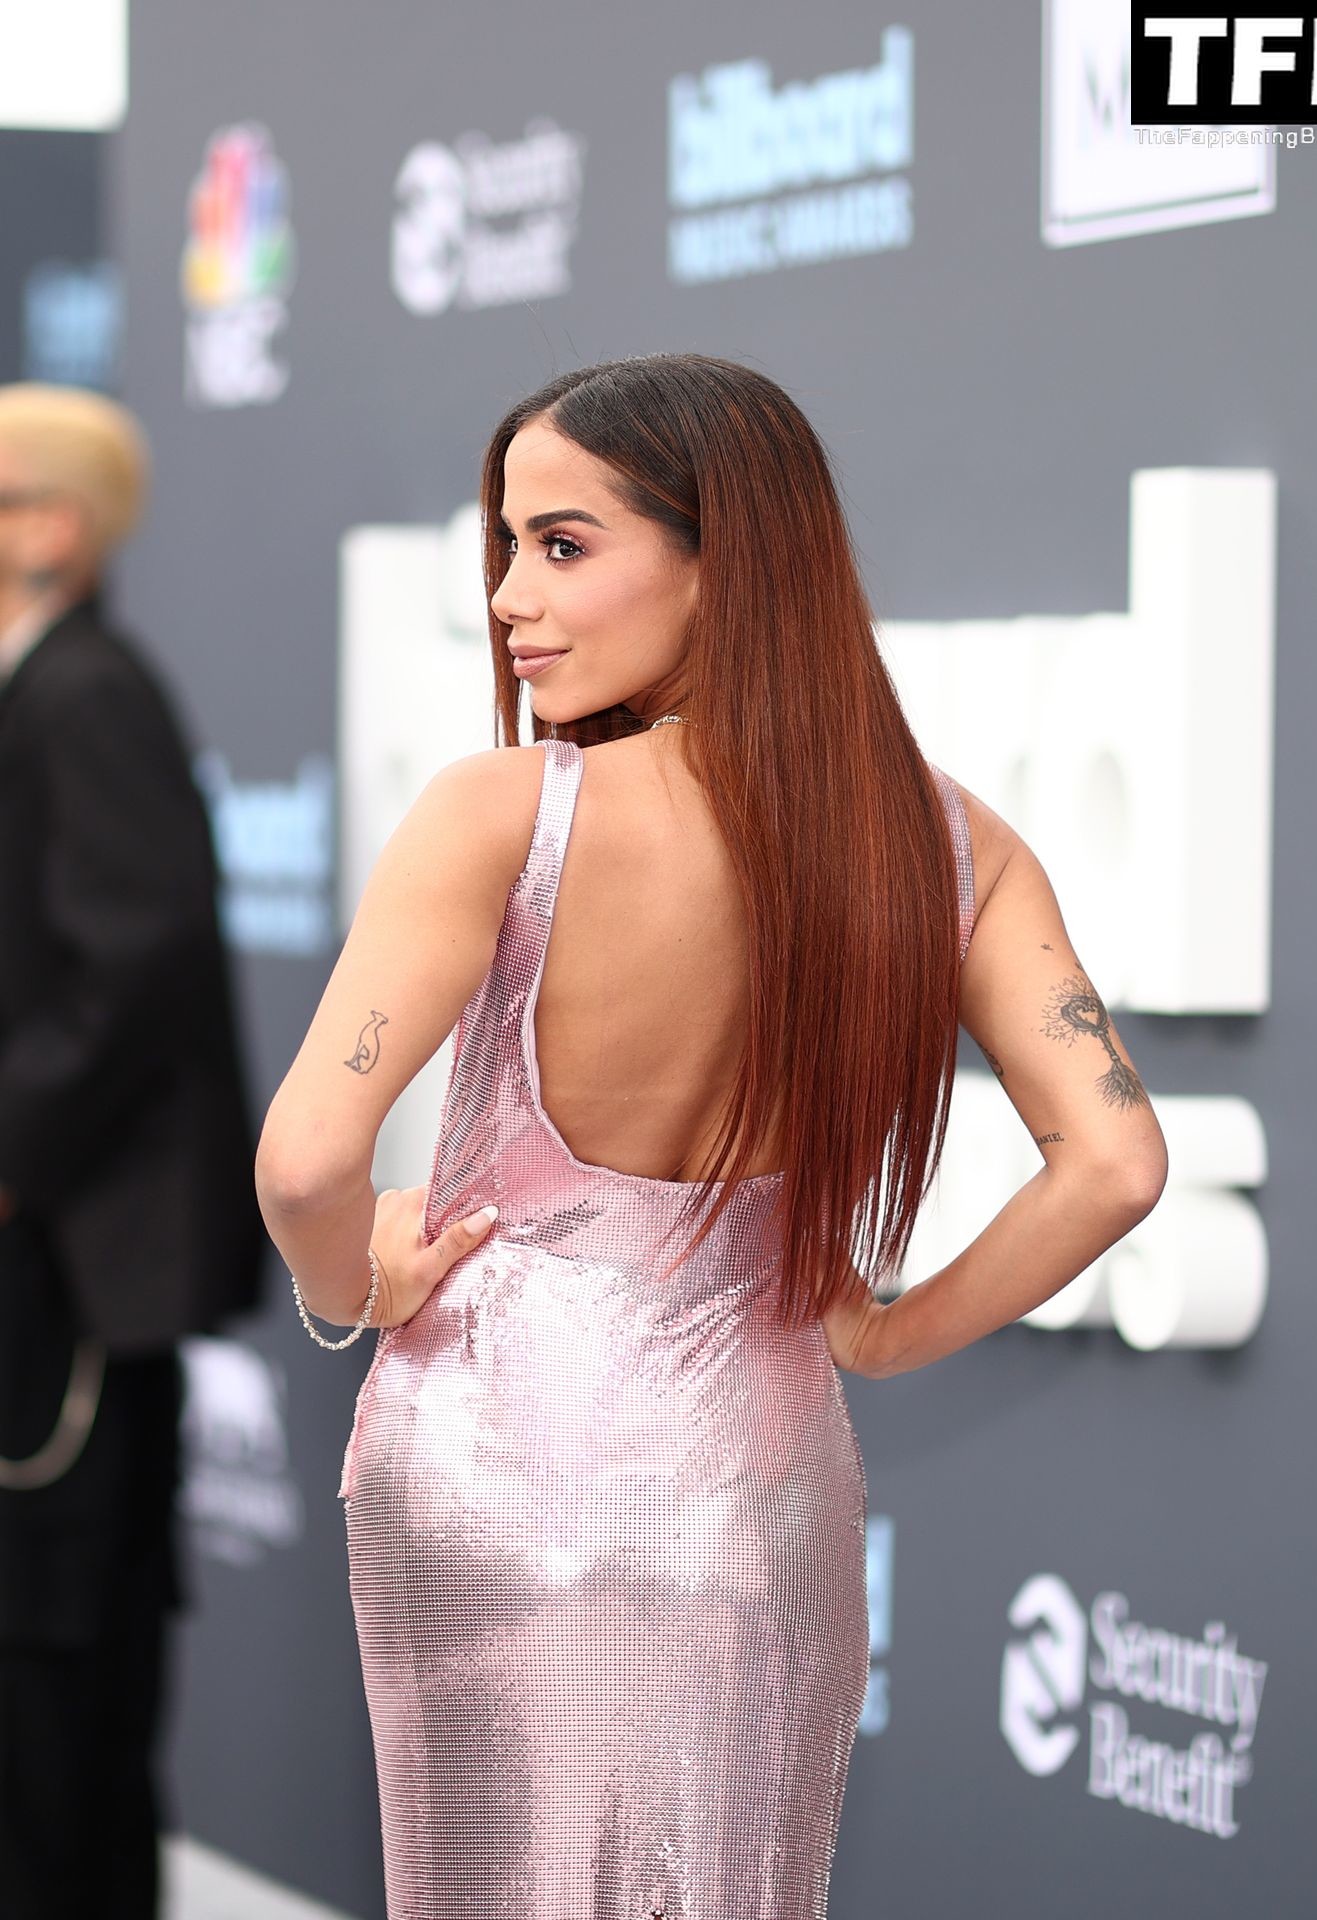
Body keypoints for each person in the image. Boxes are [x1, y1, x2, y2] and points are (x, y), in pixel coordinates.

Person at [255, 352, 1168, 1917]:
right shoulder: (948, 843)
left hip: (481, 1474)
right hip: (758, 1486)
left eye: (564, 544)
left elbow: (302, 1163)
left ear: (722, 560)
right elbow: (1119, 1162)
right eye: (504, 546)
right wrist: (885, 1337)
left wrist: (353, 1283)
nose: (510, 598)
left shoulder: (499, 812)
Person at [0, 384, 266, 1919]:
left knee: (58, 1681)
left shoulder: (86, 694)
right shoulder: (37, 689)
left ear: (50, 526)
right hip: (46, 1255)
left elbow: (133, 960)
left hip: (74, 1272)